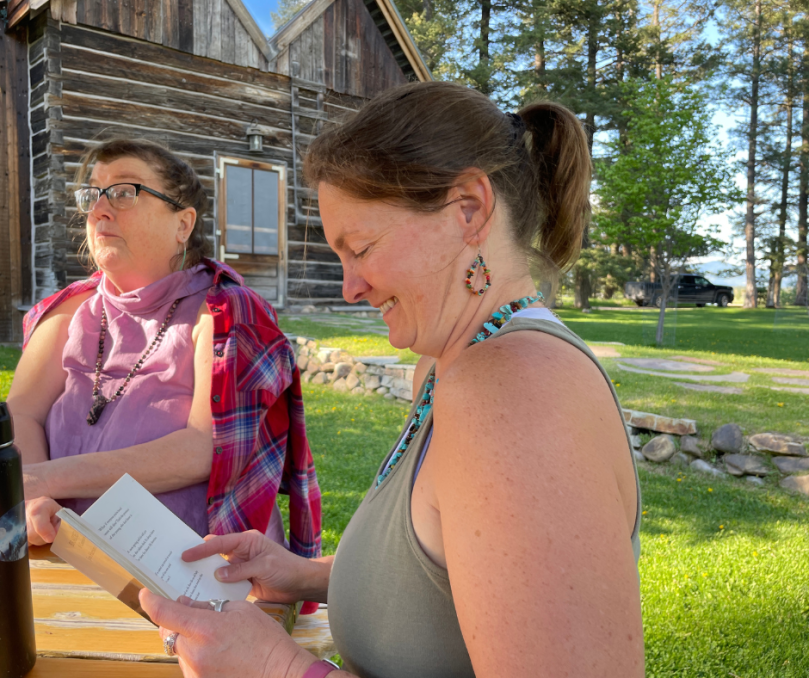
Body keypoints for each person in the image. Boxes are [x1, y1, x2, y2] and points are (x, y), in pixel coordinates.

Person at [138, 81, 645, 678]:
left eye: (362, 246)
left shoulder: (516, 391)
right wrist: (304, 573)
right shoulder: (448, 366)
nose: (351, 288)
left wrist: (276, 667)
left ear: (470, 210)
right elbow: (464, 570)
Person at [10, 138, 321, 562]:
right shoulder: (68, 310)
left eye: (123, 192)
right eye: (93, 194)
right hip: (64, 561)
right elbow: (21, 414)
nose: (99, 210)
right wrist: (33, 503)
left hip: (192, 575)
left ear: (183, 224)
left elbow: (203, 449)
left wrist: (42, 480)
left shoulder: (226, 312)